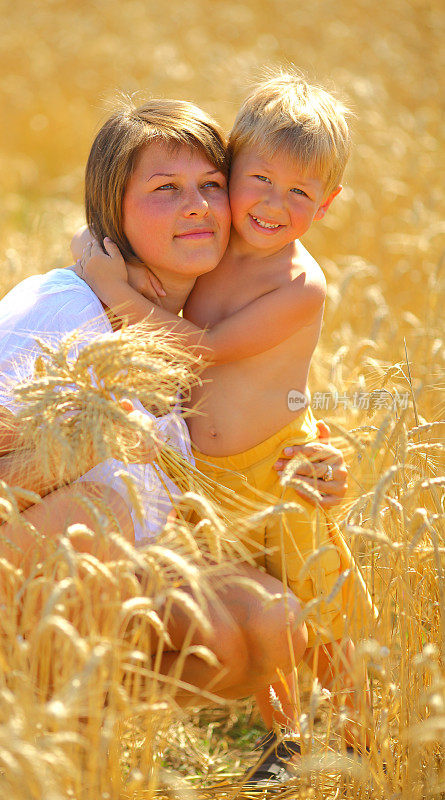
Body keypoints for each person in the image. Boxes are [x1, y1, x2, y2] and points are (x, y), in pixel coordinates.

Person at [0, 97, 346, 732]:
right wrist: (89, 443)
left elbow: (247, 439)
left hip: (105, 579)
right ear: (113, 206)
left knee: (263, 621)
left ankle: (59, 731)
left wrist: (311, 465)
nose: (196, 205)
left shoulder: (192, 327)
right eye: (166, 188)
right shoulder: (56, 310)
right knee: (97, 514)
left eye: (211, 185)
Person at [77, 74, 374, 780]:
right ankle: (285, 739)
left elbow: (198, 350)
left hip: (278, 471)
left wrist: (112, 289)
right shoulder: (204, 256)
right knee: (267, 618)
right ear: (231, 173)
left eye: (300, 193)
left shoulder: (297, 284)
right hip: (201, 476)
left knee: (322, 614)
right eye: (260, 181)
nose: (274, 205)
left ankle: (366, 739)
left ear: (326, 205)